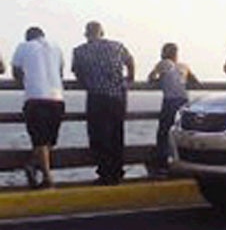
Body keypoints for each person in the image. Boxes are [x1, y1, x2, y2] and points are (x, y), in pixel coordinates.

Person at [72, 21, 135, 185]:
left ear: (86, 34)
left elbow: (77, 72)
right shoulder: (117, 46)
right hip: (118, 96)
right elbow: (130, 61)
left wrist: (86, 82)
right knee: (116, 134)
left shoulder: (80, 51)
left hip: (97, 97)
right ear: (102, 32)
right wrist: (130, 79)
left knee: (99, 136)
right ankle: (117, 171)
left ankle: (105, 172)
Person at [11, 27, 65, 189]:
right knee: (49, 140)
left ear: (28, 37)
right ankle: (34, 166)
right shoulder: (56, 47)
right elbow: (60, 71)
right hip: (57, 98)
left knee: (39, 139)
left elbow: (16, 71)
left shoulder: (24, 46)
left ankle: (47, 178)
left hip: (35, 97)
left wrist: (26, 81)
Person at [147, 43, 198, 175]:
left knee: (164, 133)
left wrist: (159, 80)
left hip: (170, 101)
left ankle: (162, 164)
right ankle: (184, 162)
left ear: (164, 53)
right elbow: (195, 81)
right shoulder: (184, 66)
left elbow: (150, 78)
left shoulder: (164, 63)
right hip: (184, 102)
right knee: (181, 133)